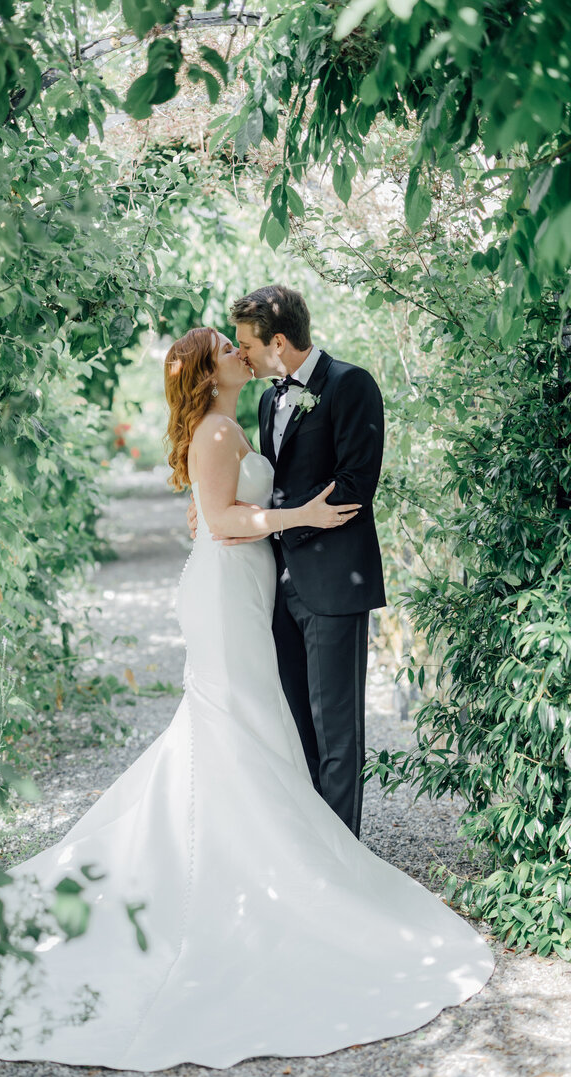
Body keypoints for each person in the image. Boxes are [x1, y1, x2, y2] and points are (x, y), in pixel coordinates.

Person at [0, 327, 493, 1072]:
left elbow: (219, 507)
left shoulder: (230, 424)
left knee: (249, 721)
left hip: (245, 587)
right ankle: (236, 863)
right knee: (237, 719)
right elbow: (224, 520)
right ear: (207, 371)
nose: (239, 352)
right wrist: (303, 517)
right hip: (225, 592)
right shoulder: (217, 429)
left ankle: (260, 852)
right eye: (226, 347)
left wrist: (267, 516)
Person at [189, 285, 384, 838]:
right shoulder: (268, 399)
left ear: (277, 341)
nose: (241, 355)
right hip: (275, 585)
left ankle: (344, 854)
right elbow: (264, 485)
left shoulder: (351, 385)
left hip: (333, 583)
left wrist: (287, 518)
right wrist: (211, 507)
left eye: (246, 344)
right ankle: (314, 845)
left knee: (337, 732)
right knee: (297, 727)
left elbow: (353, 486)